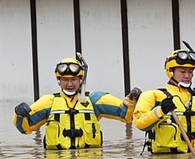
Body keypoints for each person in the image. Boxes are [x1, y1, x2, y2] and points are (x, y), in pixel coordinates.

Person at [13, 56, 141, 149]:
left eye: (73, 79)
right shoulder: (49, 102)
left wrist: (131, 100)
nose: (69, 84)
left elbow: (126, 116)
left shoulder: (95, 100)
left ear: (81, 79)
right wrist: (19, 113)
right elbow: (25, 128)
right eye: (65, 80)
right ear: (58, 80)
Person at [133, 46, 195, 153]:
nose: (187, 76)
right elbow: (140, 123)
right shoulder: (153, 95)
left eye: (190, 72)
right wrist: (161, 111)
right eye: (182, 71)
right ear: (170, 72)